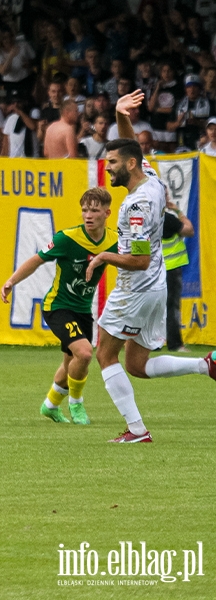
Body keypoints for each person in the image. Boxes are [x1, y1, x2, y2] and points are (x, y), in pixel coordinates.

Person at [89, 112, 216, 443]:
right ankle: (207, 366)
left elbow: (139, 260)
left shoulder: (136, 207)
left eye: (113, 162)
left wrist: (104, 256)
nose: (108, 167)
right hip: (155, 288)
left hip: (136, 289)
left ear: (129, 165)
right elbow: (135, 151)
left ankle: (136, 430)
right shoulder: (153, 182)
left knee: (104, 354)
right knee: (137, 365)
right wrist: (118, 115)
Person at [2, 186, 117, 425]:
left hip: (83, 310)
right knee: (84, 353)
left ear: (107, 213)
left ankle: (50, 406)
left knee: (71, 362)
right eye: (84, 210)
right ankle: (77, 405)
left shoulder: (114, 240)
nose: (88, 215)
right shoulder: (67, 238)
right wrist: (12, 281)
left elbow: (132, 262)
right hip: (58, 306)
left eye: (94, 210)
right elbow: (36, 260)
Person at [162, 200, 195, 352]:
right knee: (172, 307)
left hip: (152, 269)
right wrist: (178, 211)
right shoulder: (167, 218)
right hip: (171, 267)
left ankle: (151, 344)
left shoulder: (146, 219)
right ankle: (175, 344)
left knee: (153, 307)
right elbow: (189, 230)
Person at [169, 74, 211, 151]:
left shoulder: (208, 103)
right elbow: (168, 127)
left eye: (195, 86)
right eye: (189, 87)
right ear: (185, 89)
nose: (192, 89)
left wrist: (197, 122)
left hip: (203, 142)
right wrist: (178, 123)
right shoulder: (179, 104)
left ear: (199, 88)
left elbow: (213, 125)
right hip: (182, 144)